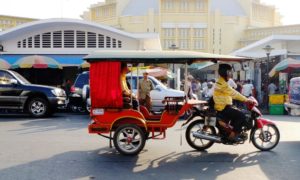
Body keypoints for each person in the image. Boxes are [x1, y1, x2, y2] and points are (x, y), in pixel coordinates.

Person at [213, 64, 254, 142]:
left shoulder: (222, 82)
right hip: (223, 107)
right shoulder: (222, 84)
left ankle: (229, 130)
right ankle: (233, 134)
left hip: (224, 106)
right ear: (225, 73)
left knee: (238, 112)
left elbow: (232, 92)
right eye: (229, 72)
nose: (230, 74)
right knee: (241, 115)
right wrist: (246, 99)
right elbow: (234, 93)